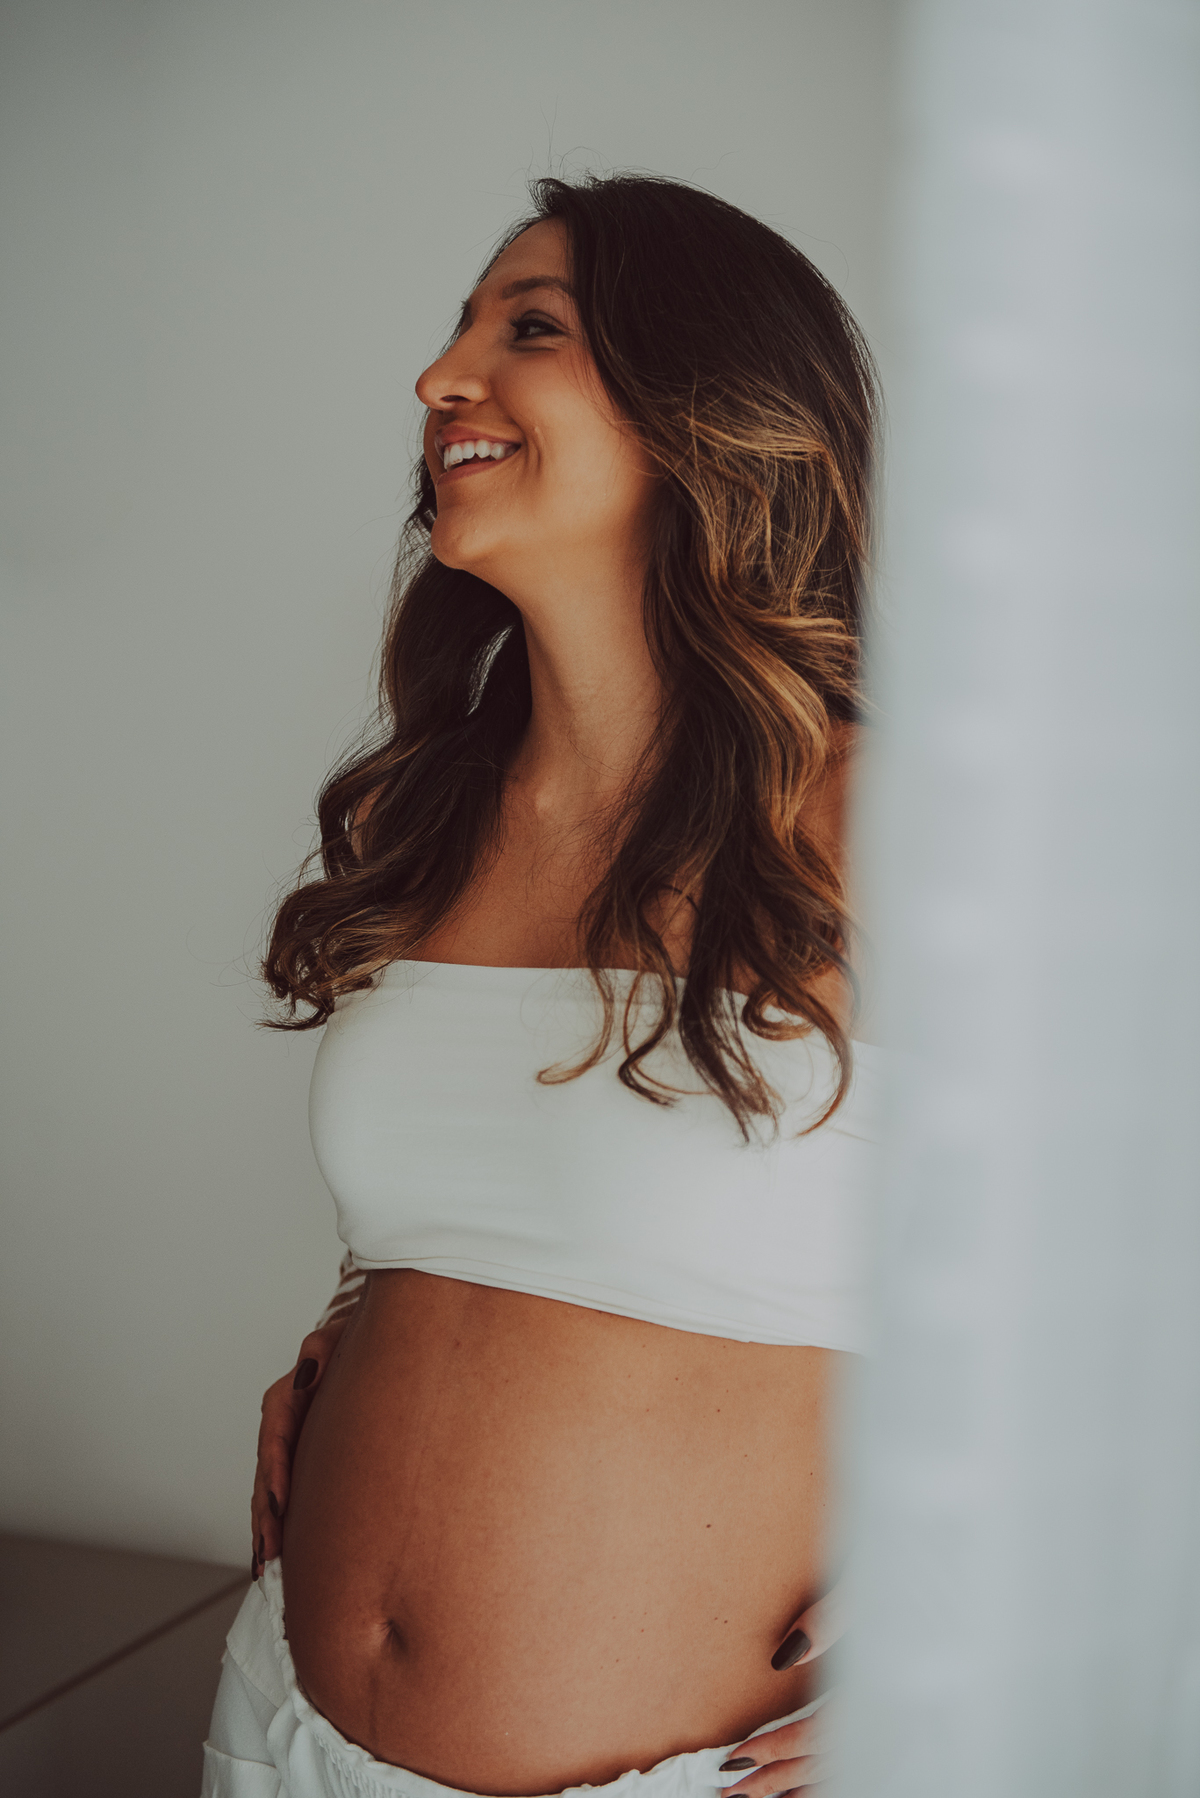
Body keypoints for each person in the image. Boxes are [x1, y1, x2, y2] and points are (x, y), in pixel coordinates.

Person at [202, 172, 883, 1798]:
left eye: (530, 329)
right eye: (461, 329)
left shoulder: (879, 816)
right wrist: (356, 1336)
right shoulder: (423, 816)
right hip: (282, 1722)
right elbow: (485, 1217)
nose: (441, 377)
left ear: (704, 405)